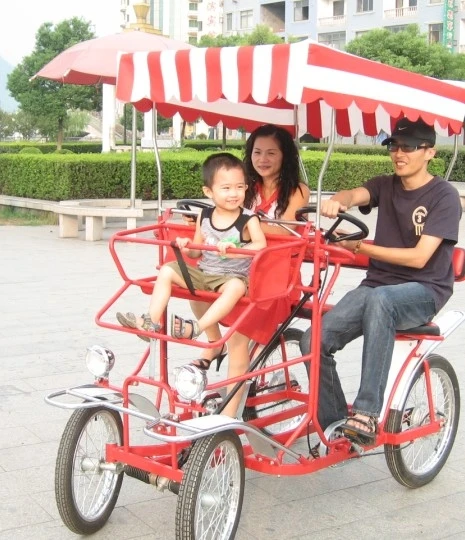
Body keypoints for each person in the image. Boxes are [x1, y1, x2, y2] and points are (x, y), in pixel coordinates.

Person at [299, 117, 462, 445]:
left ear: (430, 152)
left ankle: (367, 413)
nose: (399, 154)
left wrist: (360, 247)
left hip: (425, 289)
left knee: (381, 300)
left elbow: (419, 258)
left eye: (409, 147)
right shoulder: (385, 185)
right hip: (378, 285)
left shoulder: (444, 196)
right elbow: (355, 194)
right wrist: (338, 201)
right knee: (312, 340)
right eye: (394, 146)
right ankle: (336, 427)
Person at [188, 125, 310, 417]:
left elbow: (284, 229)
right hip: (237, 267)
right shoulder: (243, 186)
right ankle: (213, 342)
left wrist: (234, 227)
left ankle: (228, 416)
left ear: (285, 155)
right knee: (193, 286)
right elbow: (220, 216)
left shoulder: (296, 190)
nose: (263, 159)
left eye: (271, 153)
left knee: (238, 337)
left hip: (276, 275)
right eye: (257, 152)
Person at [116, 153, 266, 391]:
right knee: (167, 271)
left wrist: (238, 250)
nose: (234, 193)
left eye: (240, 187)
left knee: (237, 287)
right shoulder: (204, 216)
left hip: (231, 277)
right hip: (205, 273)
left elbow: (260, 244)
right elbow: (197, 251)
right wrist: (186, 246)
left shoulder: (248, 218)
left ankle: (198, 328)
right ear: (209, 192)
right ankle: (151, 322)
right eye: (226, 188)